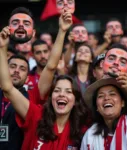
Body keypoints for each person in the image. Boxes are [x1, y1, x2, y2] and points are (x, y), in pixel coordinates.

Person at [0, 10, 91, 150]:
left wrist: (62, 31)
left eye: (68, 91)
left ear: (75, 100)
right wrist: (2, 47)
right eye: (57, 90)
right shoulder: (37, 116)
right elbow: (7, 87)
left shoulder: (81, 132)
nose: (61, 94)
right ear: (50, 96)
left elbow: (50, 67)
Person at [80, 28, 127, 150]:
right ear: (96, 105)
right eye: (100, 96)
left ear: (123, 102)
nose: (106, 98)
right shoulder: (89, 136)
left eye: (112, 94)